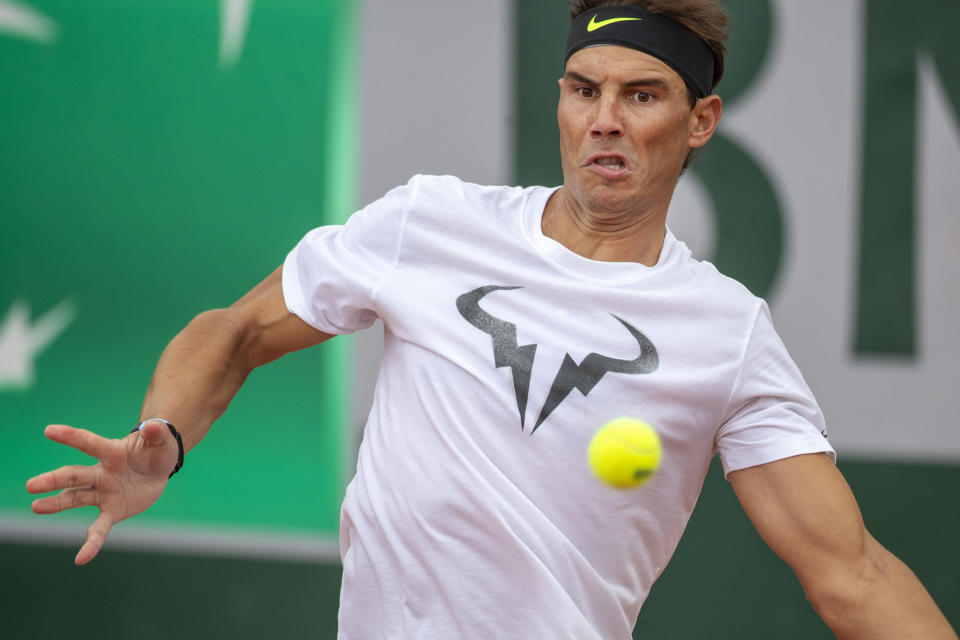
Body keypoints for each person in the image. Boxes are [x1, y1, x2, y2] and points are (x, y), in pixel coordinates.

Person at [26, 1, 956, 638]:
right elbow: (234, 331)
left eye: (642, 96)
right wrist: (164, 437)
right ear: (558, 98)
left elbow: (852, 573)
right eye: (583, 88)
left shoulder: (728, 332)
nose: (604, 120)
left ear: (701, 120)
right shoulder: (431, 223)